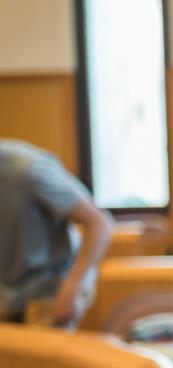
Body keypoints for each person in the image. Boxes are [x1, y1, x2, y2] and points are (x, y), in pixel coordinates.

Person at [0, 139, 112, 328]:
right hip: (7, 292)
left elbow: (99, 223)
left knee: (36, 354)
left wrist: (71, 288)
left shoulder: (29, 169)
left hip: (50, 287)